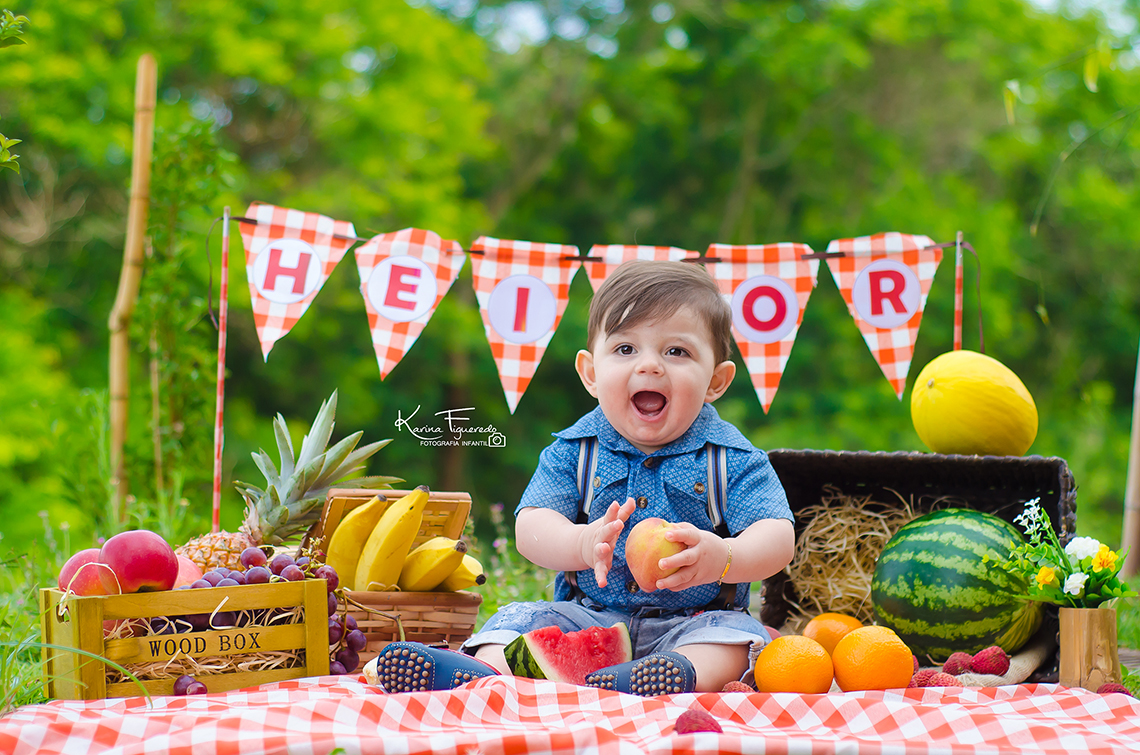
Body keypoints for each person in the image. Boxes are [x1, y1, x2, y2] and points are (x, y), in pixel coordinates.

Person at [370, 259, 795, 696]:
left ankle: (675, 673)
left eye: (677, 352)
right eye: (626, 349)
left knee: (735, 640)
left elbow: (777, 537)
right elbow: (530, 527)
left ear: (716, 382)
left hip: (695, 623)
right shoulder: (574, 452)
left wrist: (722, 556)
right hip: (587, 617)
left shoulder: (733, 459)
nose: (649, 366)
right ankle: (481, 670)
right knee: (521, 621)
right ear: (591, 373)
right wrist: (581, 542)